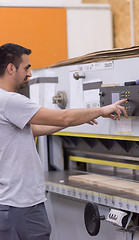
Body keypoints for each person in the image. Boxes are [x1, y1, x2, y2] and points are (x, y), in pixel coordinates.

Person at [0, 43, 128, 240]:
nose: (30, 74)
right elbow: (63, 117)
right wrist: (101, 110)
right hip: (21, 205)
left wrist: (80, 118)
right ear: (10, 68)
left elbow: (35, 128)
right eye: (26, 68)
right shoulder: (10, 101)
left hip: (10, 204)